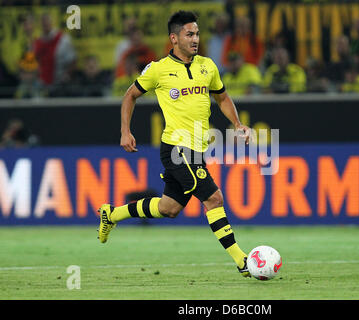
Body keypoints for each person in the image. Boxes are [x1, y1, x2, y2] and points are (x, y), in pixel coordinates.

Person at [97, 11, 252, 278]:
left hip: (196, 151)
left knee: (169, 208)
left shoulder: (208, 66)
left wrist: (237, 124)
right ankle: (243, 261)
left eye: (197, 34)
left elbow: (223, 98)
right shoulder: (158, 69)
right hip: (177, 150)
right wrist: (125, 131)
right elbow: (129, 96)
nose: (195, 39)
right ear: (174, 38)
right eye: (189, 34)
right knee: (213, 199)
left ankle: (112, 214)